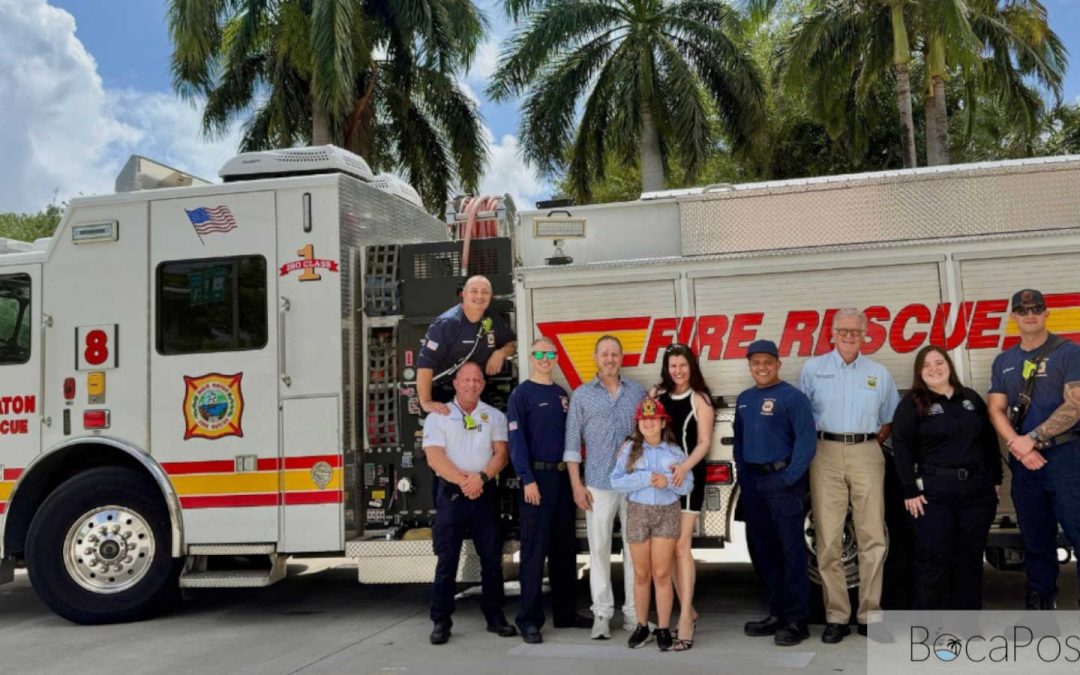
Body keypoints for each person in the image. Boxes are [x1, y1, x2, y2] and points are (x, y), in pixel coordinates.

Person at [797, 308, 899, 643]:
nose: (849, 335)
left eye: (856, 331)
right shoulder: (814, 370)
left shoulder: (878, 373)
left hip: (867, 451)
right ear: (832, 333)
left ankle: (870, 615)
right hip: (824, 452)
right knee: (828, 538)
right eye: (843, 330)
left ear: (865, 334)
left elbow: (888, 420)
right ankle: (837, 616)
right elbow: (802, 417)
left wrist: (865, 442)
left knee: (873, 535)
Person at [987, 288, 1080, 610]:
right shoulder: (1005, 361)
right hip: (1025, 462)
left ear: (1046, 313)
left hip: (1066, 458)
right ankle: (1041, 606)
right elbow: (996, 408)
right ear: (1014, 316)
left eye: (1036, 309)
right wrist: (1019, 445)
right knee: (1035, 538)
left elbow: (1076, 404)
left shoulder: (1069, 353)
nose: (1030, 315)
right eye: (1023, 310)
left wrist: (1034, 438)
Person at [891, 345, 1002, 610]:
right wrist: (909, 490)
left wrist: (995, 479)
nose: (934, 369)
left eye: (939, 362)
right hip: (933, 495)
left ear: (949, 366)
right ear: (919, 372)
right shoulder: (912, 403)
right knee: (933, 560)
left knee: (971, 559)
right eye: (926, 365)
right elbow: (901, 447)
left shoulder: (971, 399)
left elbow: (989, 442)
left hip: (977, 494)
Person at [422, 362, 517, 644]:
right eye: (466, 379)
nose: (472, 384)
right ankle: (441, 621)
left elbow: (502, 454)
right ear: (455, 383)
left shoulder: (495, 416)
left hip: (484, 493)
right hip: (452, 495)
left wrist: (481, 478)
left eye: (477, 380)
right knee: (447, 560)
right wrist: (465, 482)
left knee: (491, 560)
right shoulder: (439, 415)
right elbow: (434, 457)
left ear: (483, 385)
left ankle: (495, 616)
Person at [508, 337, 591, 643]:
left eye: (550, 354)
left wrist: (574, 481)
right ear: (531, 358)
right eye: (539, 353)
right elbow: (516, 442)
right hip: (536, 482)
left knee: (564, 549)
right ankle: (529, 620)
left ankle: (565, 612)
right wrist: (526, 478)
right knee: (533, 552)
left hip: (561, 479)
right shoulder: (522, 394)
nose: (545, 358)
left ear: (556, 358)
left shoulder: (561, 394)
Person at [564, 335, 647, 639]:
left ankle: (634, 614)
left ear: (621, 358)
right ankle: (601, 614)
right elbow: (572, 444)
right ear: (596, 358)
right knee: (598, 549)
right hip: (597, 482)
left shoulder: (636, 392)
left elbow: (647, 435)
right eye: (604, 354)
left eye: (615, 354)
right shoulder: (582, 396)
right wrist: (577, 484)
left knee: (634, 549)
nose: (610, 359)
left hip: (632, 483)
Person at [735, 340, 817, 646]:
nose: (762, 367)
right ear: (750, 366)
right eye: (756, 363)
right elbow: (740, 443)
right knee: (764, 551)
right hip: (754, 486)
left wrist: (789, 478)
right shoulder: (744, 399)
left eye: (768, 362)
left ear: (778, 364)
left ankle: (797, 620)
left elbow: (806, 442)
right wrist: (745, 478)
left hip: (782, 483)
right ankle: (776, 613)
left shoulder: (793, 398)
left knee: (791, 552)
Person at [610, 398, 693, 652]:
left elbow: (688, 484)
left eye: (653, 419)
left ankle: (664, 628)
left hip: (666, 513)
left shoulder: (675, 452)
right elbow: (616, 482)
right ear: (639, 423)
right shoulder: (629, 450)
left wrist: (667, 481)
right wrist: (646, 478)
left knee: (662, 574)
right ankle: (642, 625)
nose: (648, 423)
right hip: (638, 512)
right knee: (641, 574)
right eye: (643, 419)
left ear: (662, 422)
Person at [650, 343, 714, 645]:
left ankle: (685, 616)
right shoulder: (659, 397)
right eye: (673, 365)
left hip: (686, 480)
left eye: (683, 365)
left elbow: (703, 442)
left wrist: (684, 468)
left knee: (680, 548)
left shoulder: (700, 399)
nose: (678, 371)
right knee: (668, 549)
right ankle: (689, 608)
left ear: (692, 367)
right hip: (663, 483)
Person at [417, 275, 517, 415]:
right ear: (463, 294)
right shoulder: (447, 324)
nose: (479, 296)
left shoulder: (493, 320)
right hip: (444, 393)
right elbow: (426, 363)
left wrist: (500, 353)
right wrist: (426, 402)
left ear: (491, 296)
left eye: (485, 292)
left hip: (476, 391)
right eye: (474, 291)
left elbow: (512, 344)